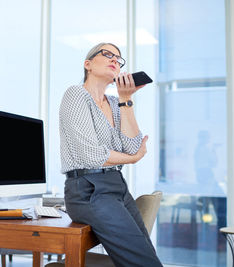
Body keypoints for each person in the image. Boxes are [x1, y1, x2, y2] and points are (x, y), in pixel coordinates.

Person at [59, 42, 163, 267]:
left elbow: (133, 146)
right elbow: (90, 155)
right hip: (88, 188)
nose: (115, 60)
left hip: (116, 185)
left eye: (118, 58)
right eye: (108, 54)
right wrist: (132, 159)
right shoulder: (76, 94)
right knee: (143, 261)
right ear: (88, 64)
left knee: (147, 255)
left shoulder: (116, 103)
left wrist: (126, 100)